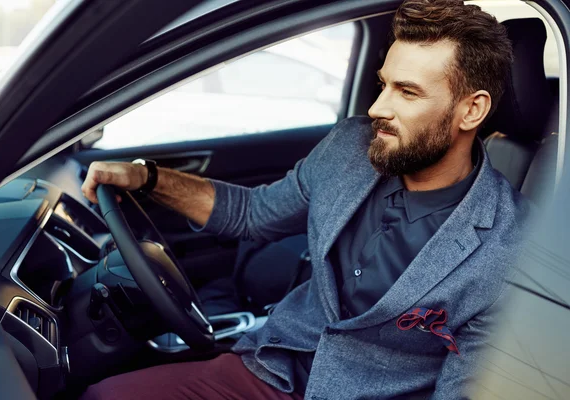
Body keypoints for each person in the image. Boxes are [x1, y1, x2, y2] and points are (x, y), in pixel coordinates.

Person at [80, 0, 532, 398]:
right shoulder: (350, 149)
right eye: (384, 84)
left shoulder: (511, 249)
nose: (377, 108)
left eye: (407, 92)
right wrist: (145, 177)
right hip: (272, 368)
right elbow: (252, 214)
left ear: (471, 110)